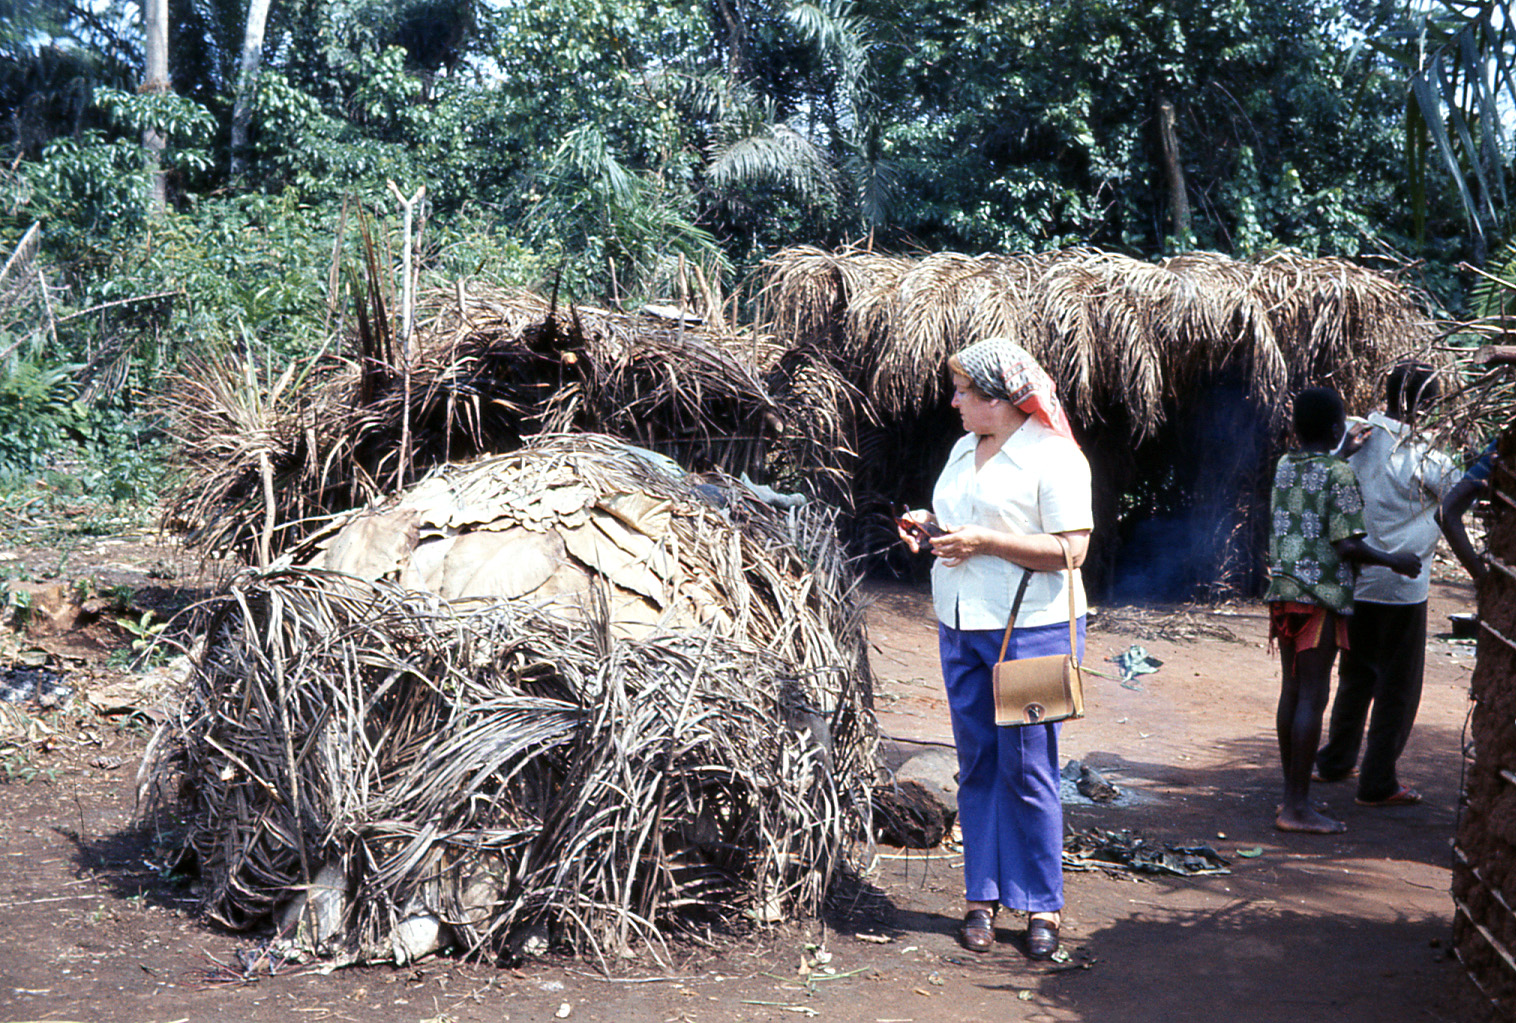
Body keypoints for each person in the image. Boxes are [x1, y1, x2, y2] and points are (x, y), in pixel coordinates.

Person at [897, 337, 1091, 961]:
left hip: (1032, 630)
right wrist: (929, 527)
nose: (954, 402)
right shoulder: (964, 448)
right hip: (961, 623)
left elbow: (1072, 549)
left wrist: (985, 542)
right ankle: (980, 896)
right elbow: (962, 522)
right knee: (978, 762)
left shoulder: (1054, 458)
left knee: (1029, 767)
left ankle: (1041, 904)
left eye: (963, 392)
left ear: (1002, 399)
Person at [1266, 387, 1419, 835]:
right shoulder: (1340, 474)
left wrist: (1341, 450)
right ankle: (1296, 808)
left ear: (1296, 428)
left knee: (1293, 692)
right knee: (1313, 697)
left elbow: (1314, 488)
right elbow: (1347, 544)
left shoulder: (1286, 464)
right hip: (1320, 599)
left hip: (1284, 594)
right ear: (1337, 427)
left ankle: (1292, 796)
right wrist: (1395, 561)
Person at [1313, 363, 1460, 808]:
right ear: (1426, 404)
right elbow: (1459, 497)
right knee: (1397, 687)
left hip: (1355, 580)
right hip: (1402, 586)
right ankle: (1378, 781)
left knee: (1355, 675)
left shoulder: (1354, 436)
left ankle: (1336, 760)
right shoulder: (1426, 457)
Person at [1437, 438, 1496, 584]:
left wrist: (1482, 579)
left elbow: (1446, 512)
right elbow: (1446, 513)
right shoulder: (1503, 448)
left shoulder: (1503, 448)